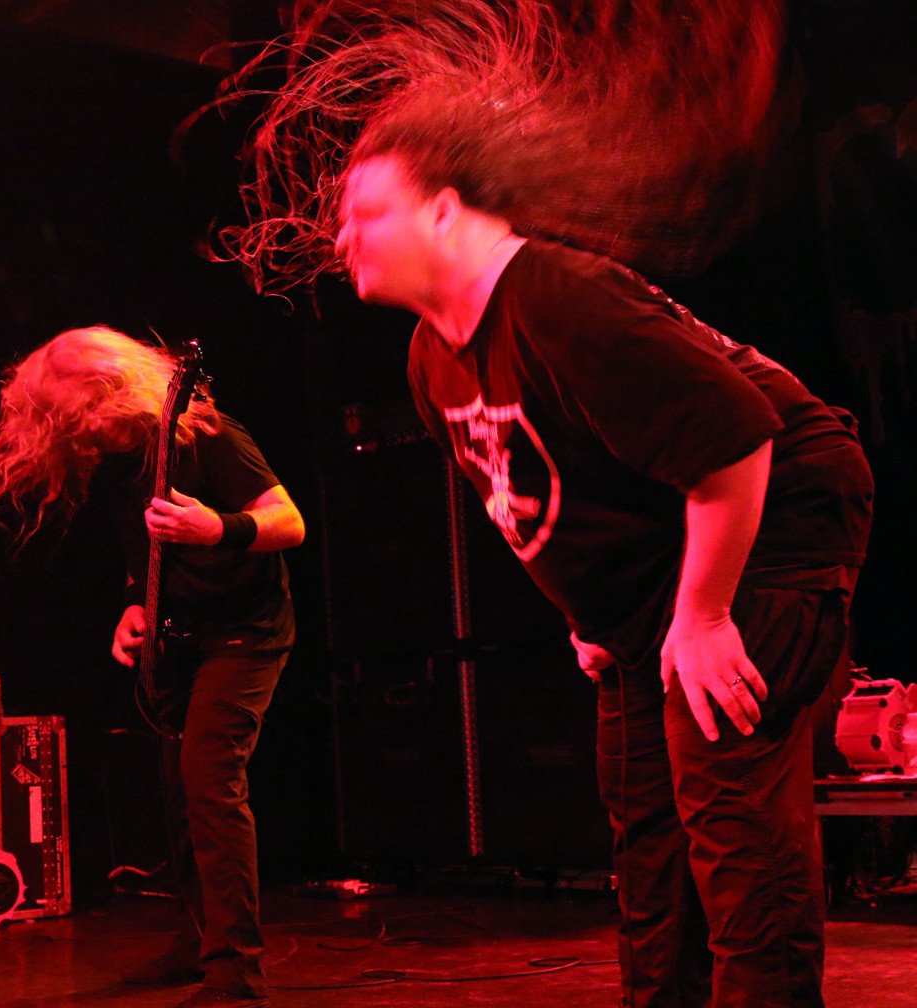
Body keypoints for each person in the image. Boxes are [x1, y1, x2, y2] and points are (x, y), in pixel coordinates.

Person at [218, 5, 872, 1004]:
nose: (341, 233)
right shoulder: (430, 358)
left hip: (773, 518)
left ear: (447, 212)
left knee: (730, 814)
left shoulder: (559, 298)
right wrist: (595, 618)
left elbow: (739, 439)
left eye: (368, 212)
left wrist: (702, 616)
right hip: (664, 563)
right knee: (648, 833)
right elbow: (529, 498)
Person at [0, 326, 305, 1008]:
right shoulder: (120, 464)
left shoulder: (210, 437)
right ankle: (197, 941)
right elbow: (146, 558)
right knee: (179, 797)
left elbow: (288, 522)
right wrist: (134, 606)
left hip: (245, 634)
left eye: (80, 415)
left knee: (211, 786)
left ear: (114, 390)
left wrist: (218, 528)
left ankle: (237, 972)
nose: (79, 433)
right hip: (180, 639)